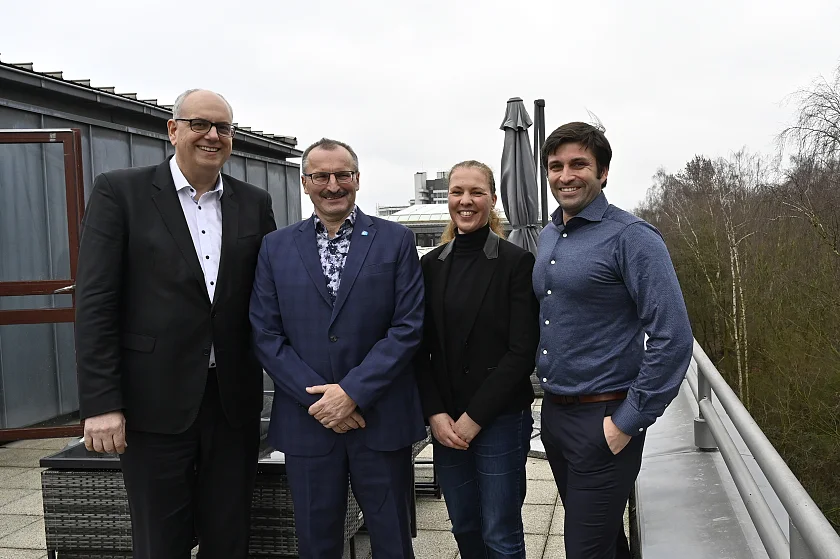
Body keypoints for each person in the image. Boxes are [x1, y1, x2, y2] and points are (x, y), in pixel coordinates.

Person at [74, 89, 277, 559]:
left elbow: (268, 296)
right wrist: (102, 403)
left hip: (232, 400)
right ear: (173, 130)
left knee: (229, 537)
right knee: (160, 540)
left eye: (223, 128)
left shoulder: (254, 203)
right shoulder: (119, 192)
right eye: (199, 124)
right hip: (152, 402)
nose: (212, 136)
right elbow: (97, 303)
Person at [249, 138, 426, 558]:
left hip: (379, 419)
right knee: (316, 542)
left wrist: (351, 394)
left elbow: (408, 327)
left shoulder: (396, 240)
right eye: (321, 176)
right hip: (309, 422)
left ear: (357, 179)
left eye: (342, 175)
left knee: (393, 541)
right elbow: (266, 334)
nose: (333, 185)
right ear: (305, 182)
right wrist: (323, 400)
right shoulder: (275, 247)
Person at [533, 121, 693, 559]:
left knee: (583, 549)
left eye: (579, 164)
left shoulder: (632, 237)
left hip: (604, 417)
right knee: (604, 543)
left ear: (602, 173)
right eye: (556, 166)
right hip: (555, 416)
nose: (566, 175)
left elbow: (673, 337)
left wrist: (628, 421)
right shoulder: (549, 236)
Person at [414, 160, 539, 558]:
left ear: (493, 200)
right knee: (464, 525)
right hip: (446, 422)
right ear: (447, 198)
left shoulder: (516, 263)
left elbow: (522, 351)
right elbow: (419, 349)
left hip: (500, 418)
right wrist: (435, 414)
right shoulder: (431, 265)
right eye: (457, 192)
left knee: (500, 533)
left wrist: (474, 418)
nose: (465, 201)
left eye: (476, 192)